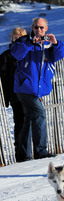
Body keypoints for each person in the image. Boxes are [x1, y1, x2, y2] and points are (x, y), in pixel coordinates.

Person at [11, 17, 64, 162]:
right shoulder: (24, 42)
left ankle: (23, 154)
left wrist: (56, 43)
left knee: (29, 119)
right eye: (36, 27)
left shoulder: (48, 45)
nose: (39, 30)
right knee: (39, 114)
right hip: (25, 87)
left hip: (37, 88)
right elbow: (16, 53)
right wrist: (30, 43)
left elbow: (61, 54)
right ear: (32, 27)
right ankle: (41, 151)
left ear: (46, 28)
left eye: (41, 28)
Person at [0, 28, 27, 160]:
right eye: (15, 37)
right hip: (15, 94)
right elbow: (3, 77)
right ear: (11, 39)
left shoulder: (29, 53)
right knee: (19, 120)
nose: (17, 40)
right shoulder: (6, 56)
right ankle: (20, 151)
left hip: (28, 91)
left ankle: (27, 149)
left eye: (20, 38)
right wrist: (5, 96)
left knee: (30, 120)